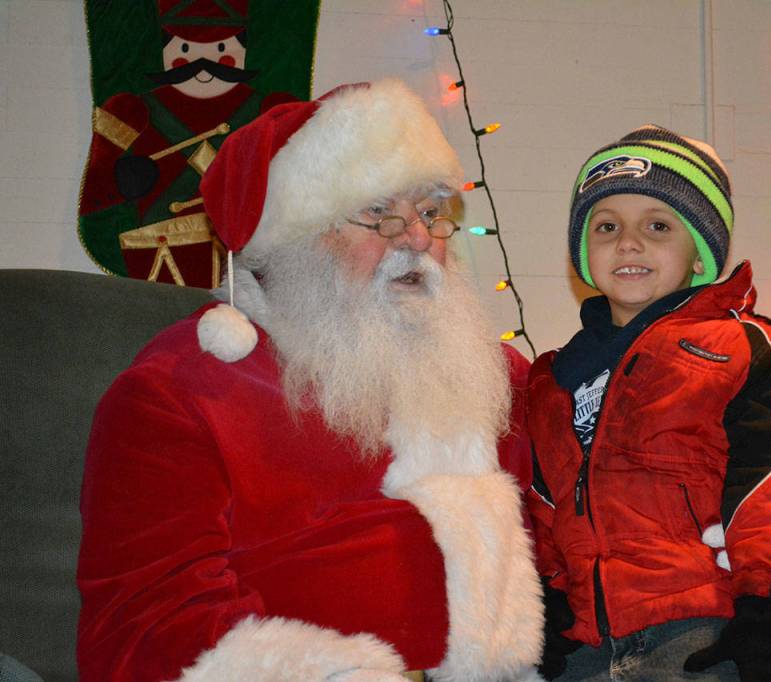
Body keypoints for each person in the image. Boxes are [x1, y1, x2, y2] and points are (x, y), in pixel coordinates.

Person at [77, 79, 545, 682]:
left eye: (430, 213)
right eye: (380, 213)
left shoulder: (491, 377)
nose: (420, 239)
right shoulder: (177, 395)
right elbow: (143, 632)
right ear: (291, 241)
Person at [526, 125, 771, 681]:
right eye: (607, 225)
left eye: (658, 226)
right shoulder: (553, 377)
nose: (628, 242)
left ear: (700, 253)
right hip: (586, 647)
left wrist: (765, 614)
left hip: (697, 632)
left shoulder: (747, 348)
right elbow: (546, 504)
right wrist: (550, 605)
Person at [79, 0, 297, 287]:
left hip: (239, 263)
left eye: (221, 49)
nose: (203, 63)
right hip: (157, 252)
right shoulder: (133, 111)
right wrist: (123, 184)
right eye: (185, 49)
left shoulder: (269, 110)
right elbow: (99, 197)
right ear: (168, 52)